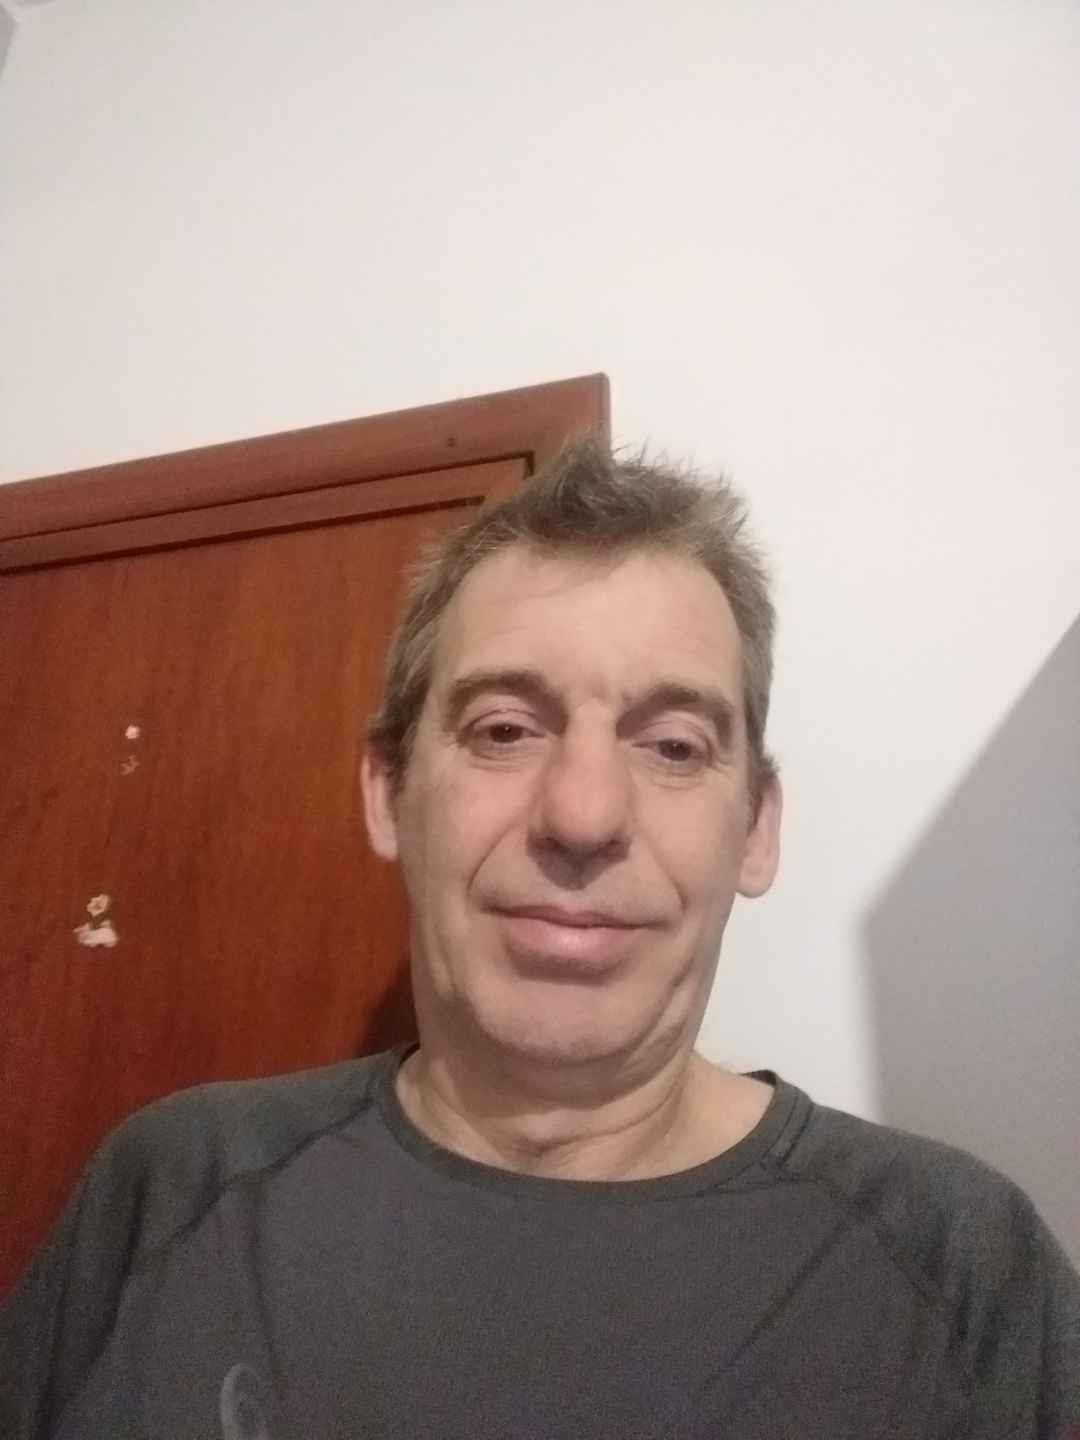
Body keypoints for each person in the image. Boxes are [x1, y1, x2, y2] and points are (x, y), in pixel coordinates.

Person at [2, 439, 1078, 1439]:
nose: (583, 814)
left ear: (756, 828)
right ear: (388, 792)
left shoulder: (963, 1265)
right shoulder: (174, 1187)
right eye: (505, 730)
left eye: (673, 746)